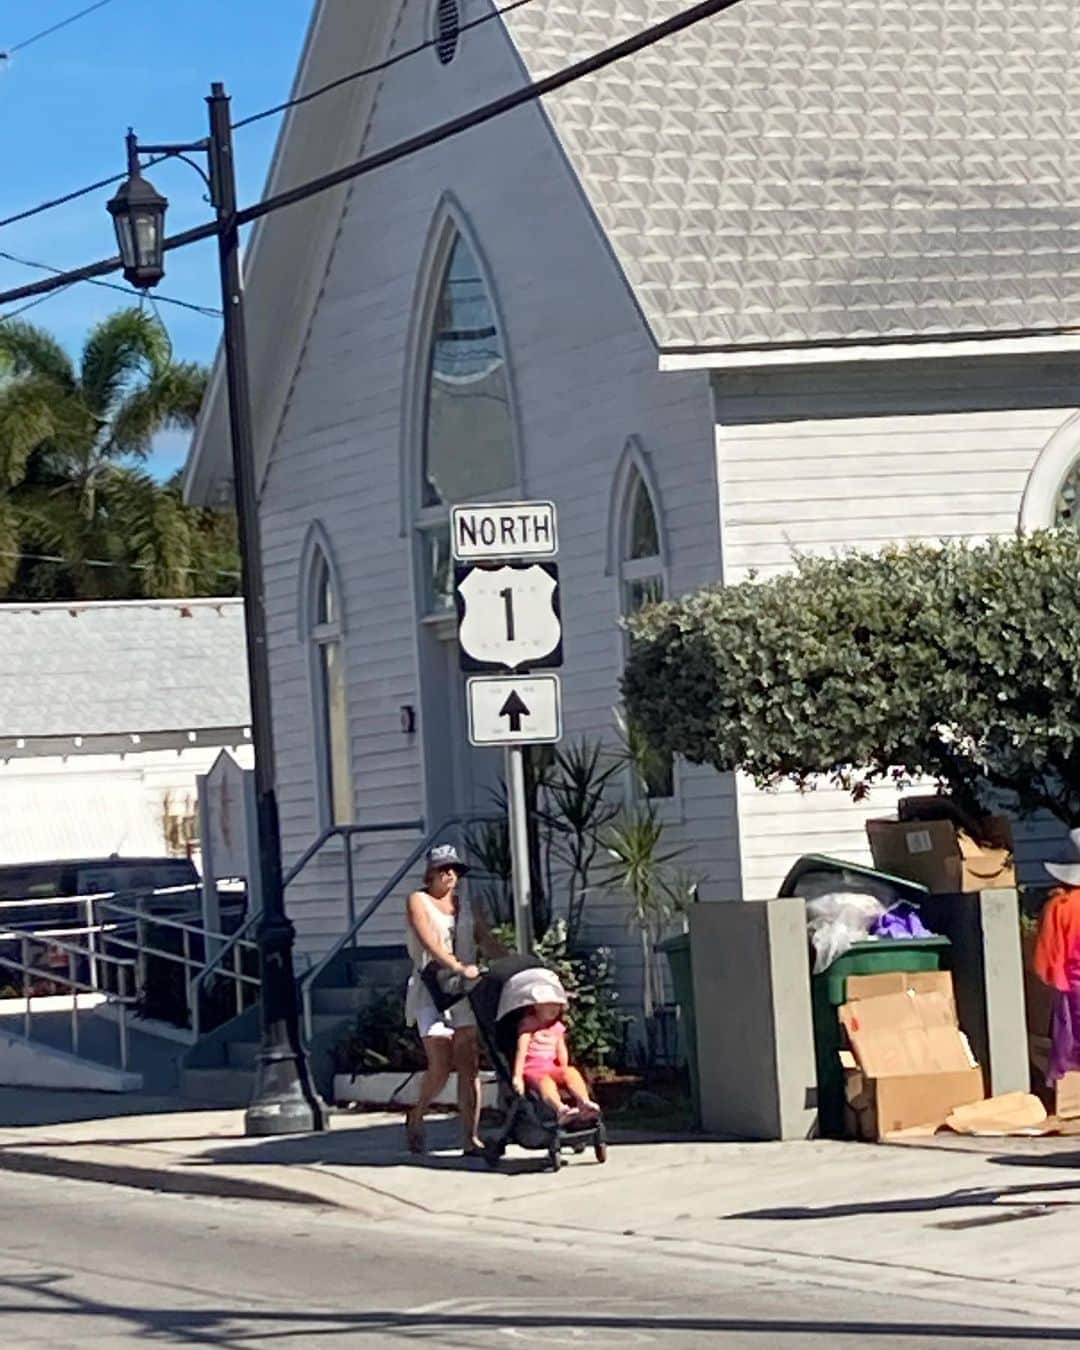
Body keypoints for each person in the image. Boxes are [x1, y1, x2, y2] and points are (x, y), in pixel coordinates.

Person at [404, 843, 499, 1156]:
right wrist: (457, 965)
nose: (449, 876)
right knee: (441, 1065)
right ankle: (417, 1113)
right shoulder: (419, 901)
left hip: (464, 989)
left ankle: (469, 1137)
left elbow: (487, 939)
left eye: (454, 870)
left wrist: (512, 964)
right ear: (430, 873)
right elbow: (428, 941)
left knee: (468, 1064)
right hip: (433, 987)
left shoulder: (467, 906)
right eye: (443, 870)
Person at [511, 982, 600, 1124]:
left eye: (557, 1005)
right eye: (549, 1005)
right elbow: (521, 1051)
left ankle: (584, 1102)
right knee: (545, 1081)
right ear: (537, 1006)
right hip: (533, 1069)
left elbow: (561, 1050)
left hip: (551, 1066)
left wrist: (563, 1069)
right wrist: (517, 1076)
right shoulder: (528, 1025)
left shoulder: (557, 1028)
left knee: (570, 1072)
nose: (554, 1009)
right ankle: (560, 1110)